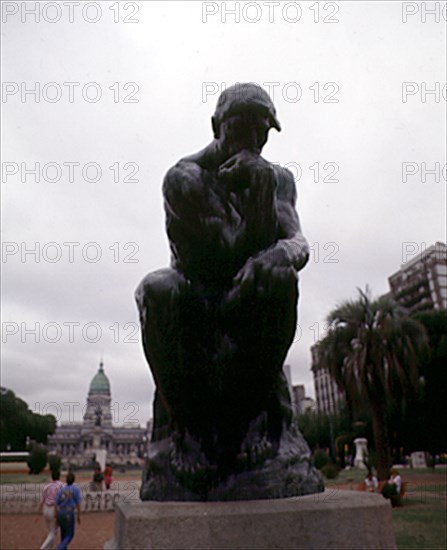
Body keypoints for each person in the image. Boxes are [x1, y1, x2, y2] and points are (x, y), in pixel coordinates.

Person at [35, 470, 64, 549]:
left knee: (50, 531)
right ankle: (43, 548)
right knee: (53, 532)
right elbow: (62, 498)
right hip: (53, 509)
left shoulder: (47, 486)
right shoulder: (61, 485)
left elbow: (42, 500)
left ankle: (50, 548)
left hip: (45, 509)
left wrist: (38, 513)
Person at [54, 472, 81, 549]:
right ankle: (59, 548)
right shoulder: (76, 489)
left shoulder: (61, 489)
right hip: (69, 513)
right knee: (70, 535)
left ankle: (63, 547)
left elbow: (56, 503)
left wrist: (56, 516)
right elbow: (78, 503)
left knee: (63, 534)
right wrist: (78, 516)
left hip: (61, 512)